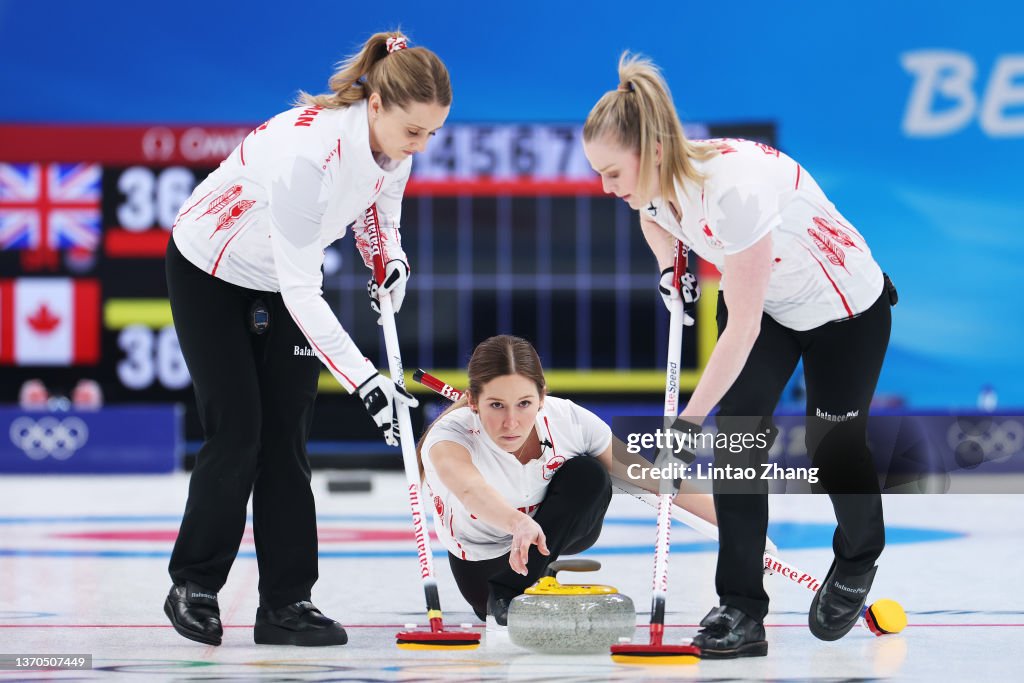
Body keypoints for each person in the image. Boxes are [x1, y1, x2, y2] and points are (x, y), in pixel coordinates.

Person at [583, 54, 894, 657]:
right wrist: (668, 265)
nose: (607, 189)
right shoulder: (656, 177)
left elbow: (742, 327)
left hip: (844, 311)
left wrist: (684, 427)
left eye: (613, 172)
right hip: (769, 305)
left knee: (834, 447)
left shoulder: (734, 191)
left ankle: (858, 557)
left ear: (649, 150)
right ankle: (741, 609)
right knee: (739, 441)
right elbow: (654, 216)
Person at [163, 31, 451, 647]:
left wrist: (390, 259)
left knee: (286, 441)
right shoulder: (308, 155)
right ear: (376, 106)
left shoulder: (396, 147)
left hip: (281, 275)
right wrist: (371, 385)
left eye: (431, 134)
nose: (420, 147)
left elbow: (381, 212)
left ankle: (287, 603)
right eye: (413, 132)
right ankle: (194, 584)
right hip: (210, 270)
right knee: (239, 430)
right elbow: (300, 291)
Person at [416, 334, 716, 625]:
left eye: (524, 404)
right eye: (496, 405)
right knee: (495, 610)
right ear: (473, 401)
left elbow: (655, 480)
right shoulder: (449, 438)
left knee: (590, 474)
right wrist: (517, 523)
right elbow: (471, 489)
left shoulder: (569, 421)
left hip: (556, 534)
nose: (511, 422)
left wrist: (739, 534)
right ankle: (518, 585)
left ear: (542, 396)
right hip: (486, 556)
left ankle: (537, 569)